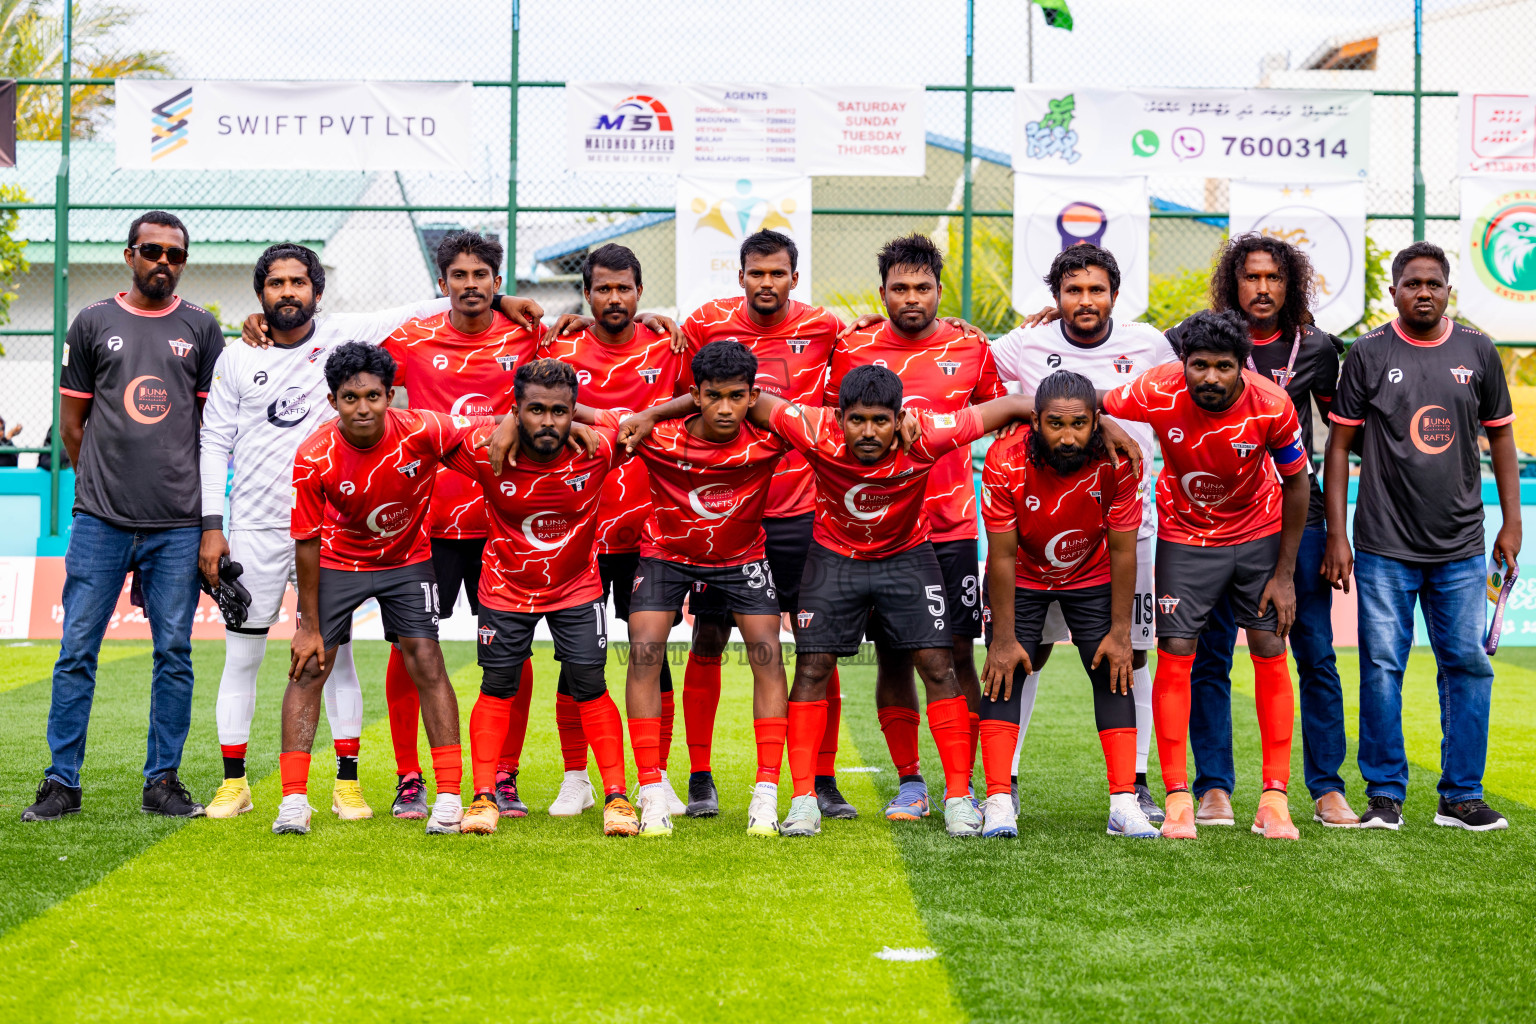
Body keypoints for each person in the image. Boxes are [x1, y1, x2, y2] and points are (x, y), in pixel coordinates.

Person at [197, 242, 542, 820]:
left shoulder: (346, 334)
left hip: (350, 533)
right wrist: (214, 524)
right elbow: (214, 442)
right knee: (250, 657)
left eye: (298, 282)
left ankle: (351, 783)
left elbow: (432, 303)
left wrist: (501, 295)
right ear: (260, 295)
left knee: (349, 659)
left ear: (317, 290)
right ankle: (239, 783)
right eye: (276, 284)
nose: (288, 292)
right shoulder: (237, 357)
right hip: (258, 523)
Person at [720, 366, 1036, 838]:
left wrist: (1106, 421)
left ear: (899, 417)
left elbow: (1014, 405)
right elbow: (744, 397)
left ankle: (957, 797)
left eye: (880, 421)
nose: (868, 432)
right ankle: (803, 800)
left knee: (938, 663)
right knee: (812, 667)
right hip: (834, 559)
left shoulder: (926, 434)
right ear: (838, 417)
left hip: (907, 556)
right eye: (857, 420)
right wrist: (658, 413)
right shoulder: (812, 427)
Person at [23, 211, 223, 823]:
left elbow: (213, 431)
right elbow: (72, 426)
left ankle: (162, 781)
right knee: (76, 650)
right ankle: (62, 783)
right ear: (130, 254)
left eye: (176, 254)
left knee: (174, 654)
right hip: (100, 523)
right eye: (153, 250)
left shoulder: (202, 328)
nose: (164, 262)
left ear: (183, 262)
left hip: (178, 525)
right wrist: (104, 492)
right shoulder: (91, 322)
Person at [279, 342, 513, 836]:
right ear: (332, 401)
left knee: (426, 659)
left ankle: (449, 797)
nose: (362, 408)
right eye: (349, 398)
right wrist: (308, 626)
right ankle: (294, 802)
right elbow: (306, 542)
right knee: (308, 667)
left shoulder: (423, 428)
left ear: (391, 395)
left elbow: (488, 431)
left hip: (408, 561)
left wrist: (530, 424)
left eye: (372, 396)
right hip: (339, 561)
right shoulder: (313, 454)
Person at [1323, 241, 1518, 832]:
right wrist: (1338, 533)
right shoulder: (1368, 353)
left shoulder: (1478, 350)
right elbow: (1337, 447)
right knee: (1382, 665)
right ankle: (1384, 795)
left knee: (1466, 666)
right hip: (1383, 544)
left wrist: (1512, 522)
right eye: (1413, 283)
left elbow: (1502, 439)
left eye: (1434, 283)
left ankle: (1460, 795)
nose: (1424, 292)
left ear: (1448, 290)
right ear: (1394, 291)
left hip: (1461, 546)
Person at [1170, 234, 1353, 829]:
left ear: (1291, 284)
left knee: (1315, 653)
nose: (1264, 288)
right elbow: (1124, 354)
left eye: (1275, 277)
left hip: (1296, 524)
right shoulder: (1195, 342)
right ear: (1233, 284)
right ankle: (1214, 788)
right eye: (1251, 277)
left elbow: (1342, 439)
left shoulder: (1319, 349)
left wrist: (1335, 534)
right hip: (1218, 526)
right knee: (1210, 658)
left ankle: (1326, 788)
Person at [987, 243, 1175, 823]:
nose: (1085, 301)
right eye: (1073, 290)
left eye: (1096, 290)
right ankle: (1005, 781)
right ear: (1056, 298)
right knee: (1027, 650)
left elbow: (1177, 403)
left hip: (1126, 528)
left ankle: (1134, 783)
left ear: (1115, 295)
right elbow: (970, 370)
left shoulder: (1150, 343)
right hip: (1039, 529)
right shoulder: (1026, 344)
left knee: (1130, 654)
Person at [823, 233, 1004, 821]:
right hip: (875, 531)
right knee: (895, 657)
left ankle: (966, 783)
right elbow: (829, 421)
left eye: (922, 287)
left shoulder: (971, 346)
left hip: (950, 528)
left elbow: (1005, 420)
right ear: (881, 293)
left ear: (939, 290)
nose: (910, 298)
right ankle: (909, 782)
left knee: (956, 653)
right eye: (899, 288)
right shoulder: (852, 347)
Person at [675, 229, 855, 820]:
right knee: (707, 638)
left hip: (803, 512)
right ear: (742, 276)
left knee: (814, 647)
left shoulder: (824, 327)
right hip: (726, 511)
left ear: (794, 278)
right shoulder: (706, 324)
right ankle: (701, 777)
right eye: (757, 273)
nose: (767, 283)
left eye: (778, 273)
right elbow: (686, 393)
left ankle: (818, 779)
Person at [376, 230, 544, 821]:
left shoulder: (528, 336)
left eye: (482, 276)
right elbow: (341, 359)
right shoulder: (413, 340)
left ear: (498, 283)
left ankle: (502, 776)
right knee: (411, 649)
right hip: (429, 526)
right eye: (459, 275)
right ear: (441, 283)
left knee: (510, 655)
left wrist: (653, 317)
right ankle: (408, 777)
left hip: (505, 524)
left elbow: (595, 326)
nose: (470, 285)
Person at [445, 359, 637, 837]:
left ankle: (617, 798)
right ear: (516, 409)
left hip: (577, 586)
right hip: (505, 588)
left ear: (574, 411)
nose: (547, 422)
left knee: (590, 684)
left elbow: (633, 419)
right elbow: (435, 431)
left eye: (559, 411)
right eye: (534, 411)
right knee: (498, 686)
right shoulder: (485, 448)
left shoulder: (600, 446)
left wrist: (586, 419)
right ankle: (484, 797)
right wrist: (502, 424)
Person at [611, 340, 792, 838]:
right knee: (644, 649)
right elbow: (588, 414)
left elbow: (829, 421)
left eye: (738, 396)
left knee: (767, 652)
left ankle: (765, 794)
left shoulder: (769, 437)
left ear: (752, 395)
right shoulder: (658, 436)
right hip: (666, 553)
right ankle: (651, 791)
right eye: (714, 396)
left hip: (742, 556)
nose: (726, 408)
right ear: (696, 395)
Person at [537, 243, 689, 819]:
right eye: (603, 288)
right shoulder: (561, 346)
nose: (614, 298)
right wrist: (601, 418)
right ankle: (576, 776)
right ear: (586, 293)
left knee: (651, 652)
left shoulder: (667, 346)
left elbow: (701, 397)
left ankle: (659, 778)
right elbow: (532, 402)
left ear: (640, 291)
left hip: (652, 527)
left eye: (624, 288)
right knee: (576, 657)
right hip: (580, 527)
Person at [979, 370, 1154, 840]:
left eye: (1078, 424)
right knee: (1005, 668)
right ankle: (997, 799)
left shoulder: (1117, 462)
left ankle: (1123, 802)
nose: (1068, 435)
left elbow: (1123, 550)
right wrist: (1002, 637)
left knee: (1114, 667)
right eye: (1055, 424)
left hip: (1090, 571)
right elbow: (1000, 555)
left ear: (1096, 421)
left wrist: (1121, 633)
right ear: (1034, 421)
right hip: (1024, 574)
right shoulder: (1003, 459)